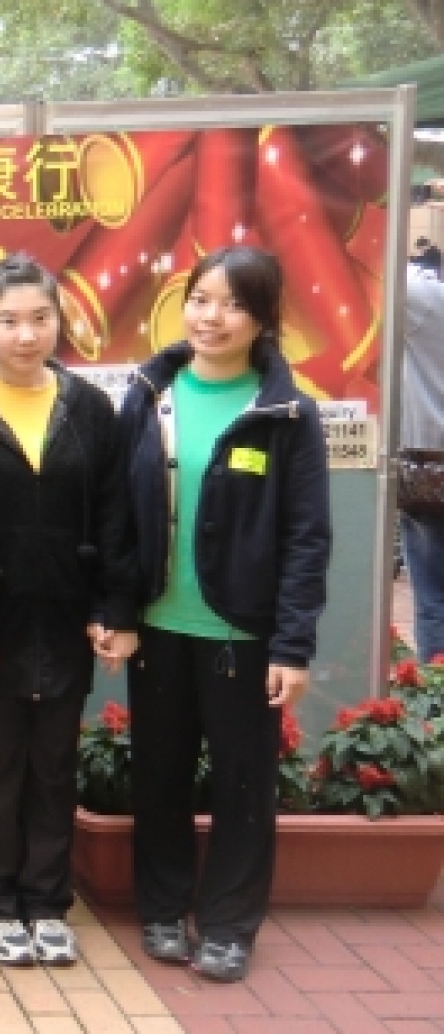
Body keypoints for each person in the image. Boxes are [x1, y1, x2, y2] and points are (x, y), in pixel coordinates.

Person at [118, 246, 330, 983]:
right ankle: (162, 907)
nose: (212, 318)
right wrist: (117, 609)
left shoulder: (286, 413)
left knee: (244, 785)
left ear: (263, 319)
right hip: (158, 628)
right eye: (201, 299)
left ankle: (230, 925)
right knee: (159, 777)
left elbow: (307, 535)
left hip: (243, 634)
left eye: (234, 304)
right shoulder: (148, 395)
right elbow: (118, 516)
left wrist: (293, 644)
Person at [0, 254, 136, 968]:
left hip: (64, 619)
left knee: (54, 767)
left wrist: (113, 608)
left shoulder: (89, 409)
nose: (26, 335)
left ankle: (47, 902)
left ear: (60, 321)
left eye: (40, 318)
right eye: (9, 321)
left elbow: (115, 515)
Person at [399, 225, 444, 662]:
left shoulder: (428, 302)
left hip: (430, 472)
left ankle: (436, 687)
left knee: (432, 597)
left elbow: (386, 273)